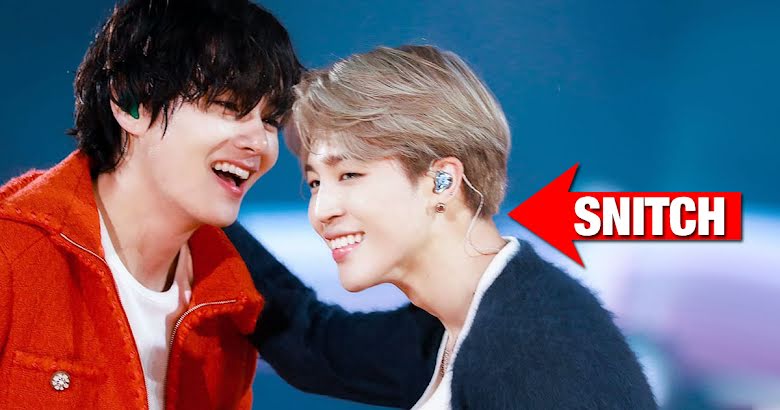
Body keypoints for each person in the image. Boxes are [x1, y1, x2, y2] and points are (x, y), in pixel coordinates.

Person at [275, 44, 658, 408]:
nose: (321, 210)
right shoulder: (466, 322)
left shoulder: (535, 347)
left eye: (349, 174)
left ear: (442, 181)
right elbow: (313, 345)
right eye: (315, 182)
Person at [0, 0, 302, 408]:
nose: (259, 143)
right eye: (228, 106)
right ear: (131, 104)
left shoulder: (232, 303)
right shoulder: (12, 255)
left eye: (270, 121)